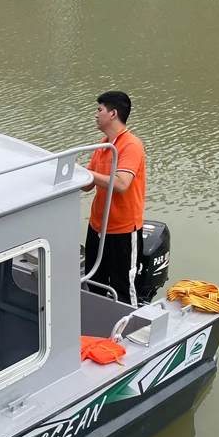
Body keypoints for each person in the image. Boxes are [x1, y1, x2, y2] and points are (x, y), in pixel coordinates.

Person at [83, 90, 147, 305]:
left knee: (123, 288)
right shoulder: (102, 147)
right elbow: (87, 185)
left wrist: (88, 174)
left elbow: (120, 184)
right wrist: (69, 173)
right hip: (97, 227)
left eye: (99, 109)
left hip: (122, 231)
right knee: (94, 282)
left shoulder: (130, 145)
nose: (96, 114)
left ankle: (128, 323)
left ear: (113, 113)